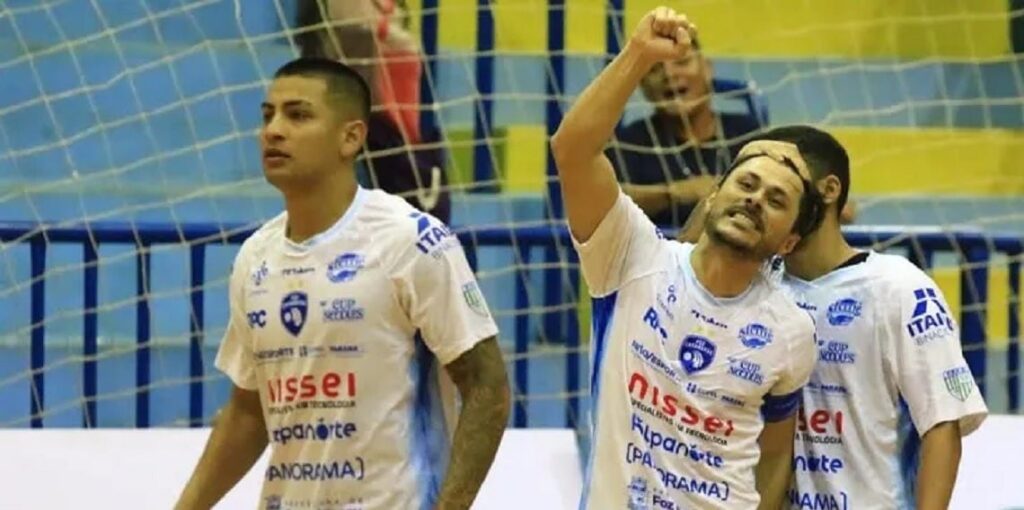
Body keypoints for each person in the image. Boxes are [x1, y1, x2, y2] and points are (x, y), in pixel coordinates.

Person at [174, 58, 510, 510]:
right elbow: (249, 411)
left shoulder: (409, 240)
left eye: (297, 115)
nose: (273, 130)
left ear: (350, 137)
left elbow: (487, 385)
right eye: (268, 115)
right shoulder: (255, 257)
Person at [550, 7, 826, 509]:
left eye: (776, 199)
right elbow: (572, 150)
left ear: (789, 242)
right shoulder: (631, 256)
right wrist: (639, 54)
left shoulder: (792, 329)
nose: (755, 199)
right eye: (747, 183)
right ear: (714, 195)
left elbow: (774, 457)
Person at [679, 127, 989, 509]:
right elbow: (679, 274)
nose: (770, 186)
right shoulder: (756, 281)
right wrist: (736, 171)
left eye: (789, 171)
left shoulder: (897, 286)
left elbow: (941, 426)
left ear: (828, 190)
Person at [295, 0, 451, 223]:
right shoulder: (352, 26)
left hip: (401, 141)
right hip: (363, 137)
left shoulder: (392, 22)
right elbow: (356, 27)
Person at [606, 30, 762, 229]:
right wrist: (673, 193)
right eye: (655, 69)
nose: (669, 74)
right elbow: (607, 202)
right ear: (643, 85)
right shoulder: (629, 143)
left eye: (682, 62)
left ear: (707, 68)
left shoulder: (745, 131)